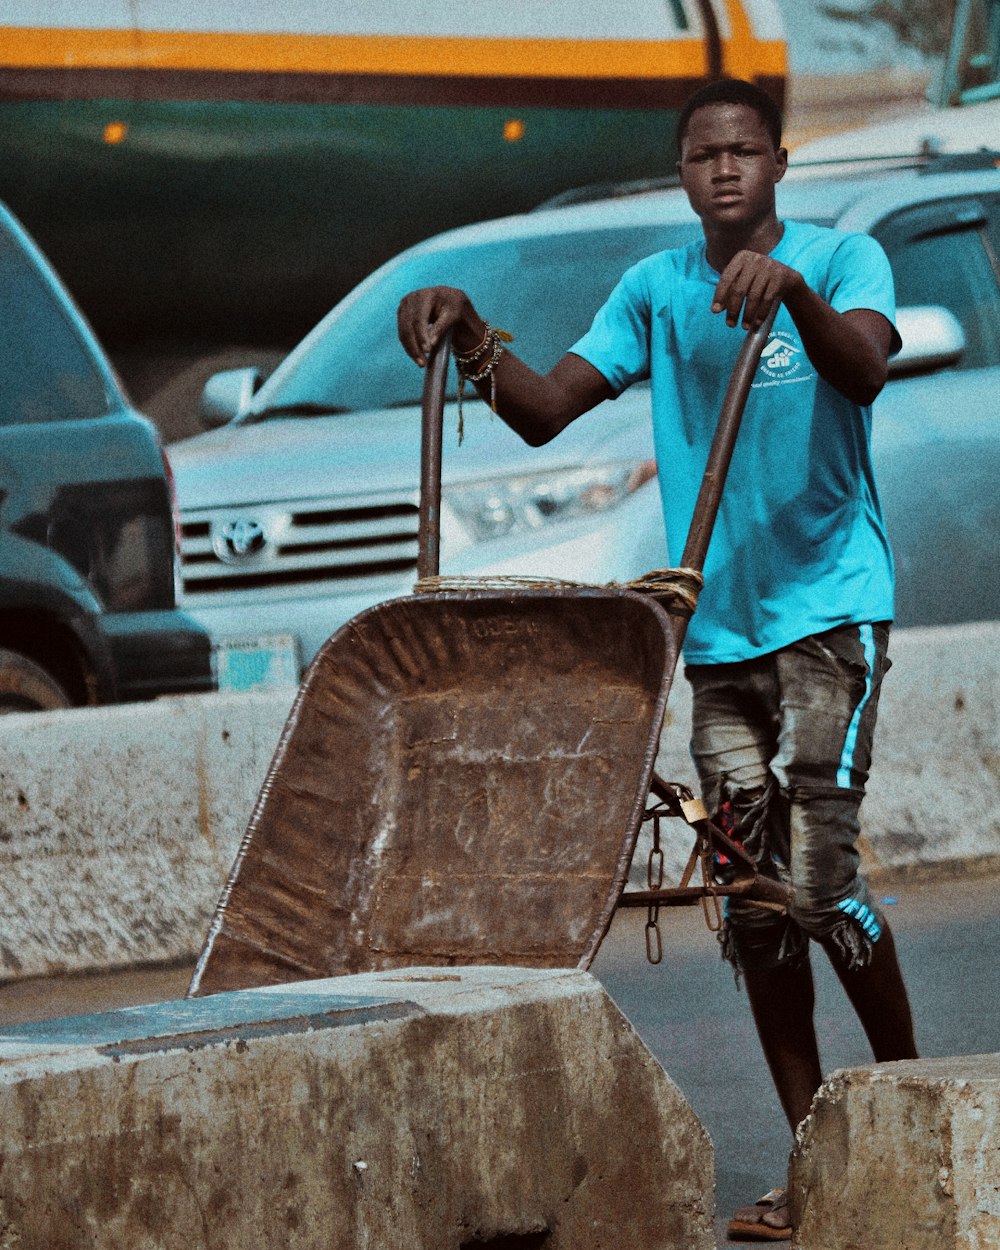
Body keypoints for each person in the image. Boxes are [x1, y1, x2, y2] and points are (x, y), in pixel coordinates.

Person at [397, 77, 918, 1242]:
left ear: (779, 162)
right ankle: (813, 1152)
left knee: (820, 880)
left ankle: (915, 1109)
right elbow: (541, 409)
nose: (724, 169)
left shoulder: (839, 262)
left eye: (743, 150)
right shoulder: (655, 288)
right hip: (719, 636)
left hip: (831, 612)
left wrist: (789, 297)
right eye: (701, 154)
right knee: (751, 901)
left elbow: (868, 368)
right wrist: (470, 332)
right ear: (681, 174)